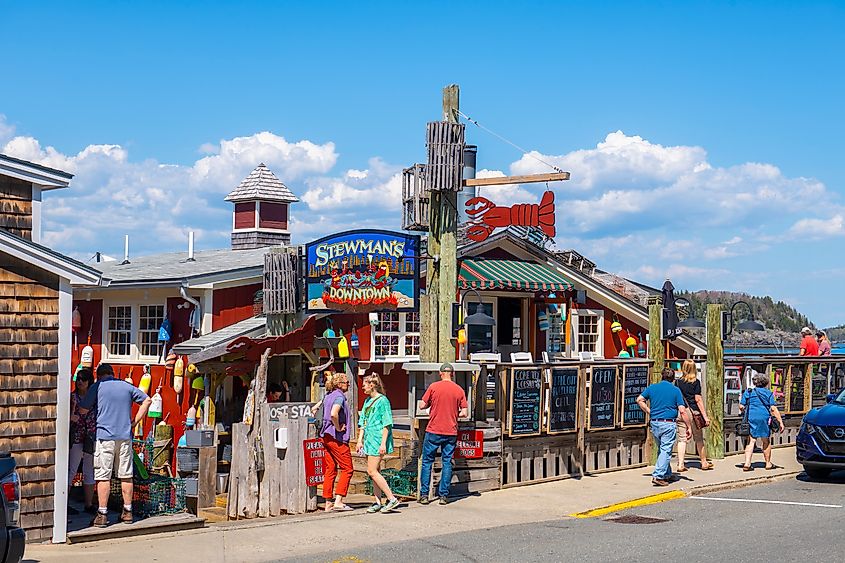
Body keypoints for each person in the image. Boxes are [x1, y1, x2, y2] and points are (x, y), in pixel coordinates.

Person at [79, 363, 151, 527]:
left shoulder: (98, 387)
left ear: (99, 375)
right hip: (125, 437)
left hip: (105, 437)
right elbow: (147, 400)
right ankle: (127, 512)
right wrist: (135, 422)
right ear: (112, 374)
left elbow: (83, 410)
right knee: (126, 475)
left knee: (103, 476)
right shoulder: (127, 386)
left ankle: (102, 514)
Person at [417, 363, 468, 505]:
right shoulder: (459, 390)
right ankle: (443, 496)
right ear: (452, 373)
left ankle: (424, 495)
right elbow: (464, 413)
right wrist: (453, 413)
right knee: (447, 462)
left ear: (440, 373)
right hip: (450, 431)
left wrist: (431, 407)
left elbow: (422, 405)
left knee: (427, 462)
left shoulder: (433, 387)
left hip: (433, 429)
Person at [636, 366, 693, 486]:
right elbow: (682, 411)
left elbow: (639, 399)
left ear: (662, 376)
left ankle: (666, 473)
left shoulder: (652, 388)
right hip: (668, 423)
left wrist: (649, 411)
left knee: (662, 449)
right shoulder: (675, 390)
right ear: (673, 378)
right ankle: (658, 475)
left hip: (655, 422)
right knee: (666, 450)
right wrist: (689, 426)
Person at [356, 373, 400, 513]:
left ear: (372, 385)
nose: (363, 387)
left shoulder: (383, 401)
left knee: (372, 470)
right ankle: (377, 501)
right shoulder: (367, 401)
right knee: (375, 472)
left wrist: (383, 443)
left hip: (378, 439)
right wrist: (359, 440)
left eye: (365, 385)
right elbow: (363, 421)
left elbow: (387, 424)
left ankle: (391, 498)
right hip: (369, 439)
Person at [320, 373, 354, 512]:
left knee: (330, 468)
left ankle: (328, 501)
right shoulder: (339, 397)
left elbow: (317, 407)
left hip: (325, 436)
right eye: (347, 382)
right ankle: (339, 500)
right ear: (339, 384)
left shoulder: (328, 395)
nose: (349, 384)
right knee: (348, 468)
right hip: (336, 437)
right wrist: (338, 426)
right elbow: (334, 413)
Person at [740, 373, 785, 471]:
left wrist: (745, 410)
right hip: (764, 418)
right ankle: (768, 463)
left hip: (751, 417)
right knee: (766, 441)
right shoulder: (768, 393)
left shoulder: (749, 392)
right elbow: (773, 408)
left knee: (751, 441)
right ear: (766, 382)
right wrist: (780, 422)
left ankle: (747, 463)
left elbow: (741, 406)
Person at [674, 360, 713, 472]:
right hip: (693, 412)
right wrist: (705, 416)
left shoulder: (677, 382)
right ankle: (704, 462)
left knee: (682, 439)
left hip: (681, 412)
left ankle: (681, 464)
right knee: (699, 438)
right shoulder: (696, 382)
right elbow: (698, 399)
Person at [68, 368, 97, 514]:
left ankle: (89, 504)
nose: (80, 381)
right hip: (77, 437)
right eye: (78, 379)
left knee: (89, 470)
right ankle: (64, 502)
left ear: (89, 382)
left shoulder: (94, 398)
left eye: (83, 379)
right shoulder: (72, 398)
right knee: (72, 469)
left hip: (90, 436)